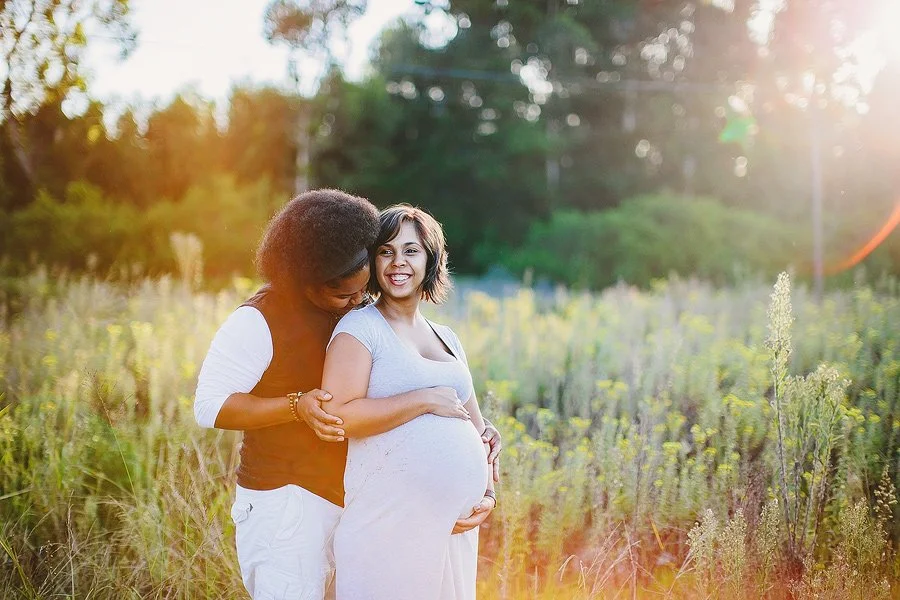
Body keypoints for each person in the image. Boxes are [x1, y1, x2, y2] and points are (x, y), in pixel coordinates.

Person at [193, 190, 502, 600]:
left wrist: (481, 466)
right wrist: (295, 405)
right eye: (344, 295)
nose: (357, 301)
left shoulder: (391, 322)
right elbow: (210, 406)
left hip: (350, 500)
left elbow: (442, 405)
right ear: (307, 281)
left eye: (361, 292)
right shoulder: (261, 319)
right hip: (288, 499)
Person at [322, 204, 497, 600]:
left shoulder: (448, 338)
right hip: (387, 526)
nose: (397, 262)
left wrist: (487, 495)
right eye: (386, 251)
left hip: (451, 532)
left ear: (431, 259)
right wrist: (420, 400)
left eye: (411, 251)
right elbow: (338, 416)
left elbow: (477, 429)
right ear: (372, 260)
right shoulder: (360, 329)